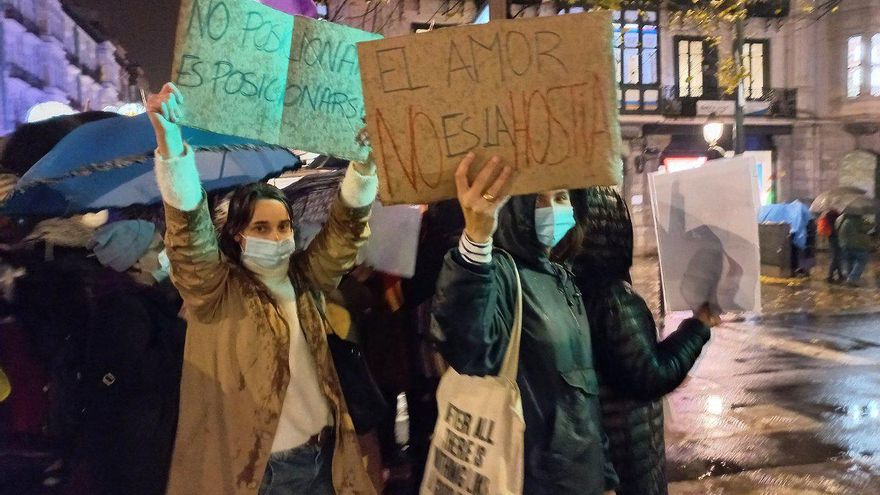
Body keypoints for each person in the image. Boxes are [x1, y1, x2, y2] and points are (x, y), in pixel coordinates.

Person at [146, 83, 378, 494]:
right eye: (261, 228)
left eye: (284, 226)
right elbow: (188, 236)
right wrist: (172, 146)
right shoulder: (217, 291)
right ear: (237, 234)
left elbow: (344, 233)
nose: (276, 237)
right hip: (262, 474)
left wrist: (363, 168)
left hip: (326, 460)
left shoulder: (305, 279)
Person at [431, 154, 618, 495]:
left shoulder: (562, 276)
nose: (554, 208)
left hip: (581, 479)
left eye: (561, 197)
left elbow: (583, 394)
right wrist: (475, 240)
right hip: (527, 479)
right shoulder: (501, 272)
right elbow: (467, 346)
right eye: (539, 199)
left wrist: (605, 477)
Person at [568, 187, 718, 495]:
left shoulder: (565, 284)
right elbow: (650, 375)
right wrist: (698, 326)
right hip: (627, 452)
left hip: (596, 446)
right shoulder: (614, 299)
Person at [79, 219, 185, 495]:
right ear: (136, 262)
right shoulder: (125, 310)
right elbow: (139, 373)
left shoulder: (139, 302)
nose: (167, 252)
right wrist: (181, 330)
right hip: (137, 441)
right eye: (158, 247)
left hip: (140, 434)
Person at [837, 210, 872, 286]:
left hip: (844, 244)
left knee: (849, 261)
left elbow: (836, 227)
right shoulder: (857, 220)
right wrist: (868, 223)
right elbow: (866, 229)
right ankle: (852, 278)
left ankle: (849, 277)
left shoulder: (840, 218)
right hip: (857, 244)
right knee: (862, 260)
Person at [819, 209, 844, 283]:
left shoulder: (827, 214)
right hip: (836, 236)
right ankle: (830, 276)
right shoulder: (834, 214)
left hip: (831, 236)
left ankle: (840, 275)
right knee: (836, 256)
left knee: (837, 256)